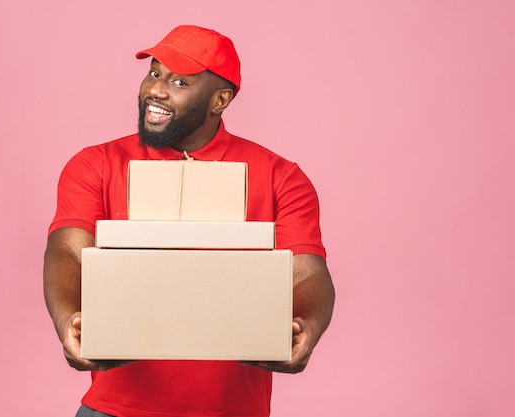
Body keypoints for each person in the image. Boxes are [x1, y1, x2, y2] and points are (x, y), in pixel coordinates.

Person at [44, 24, 335, 417]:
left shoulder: (280, 176)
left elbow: (306, 272)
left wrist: (309, 329)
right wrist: (66, 321)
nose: (156, 90)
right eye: (154, 73)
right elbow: (67, 249)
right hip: (114, 410)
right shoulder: (95, 165)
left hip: (232, 411)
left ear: (220, 100)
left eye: (179, 81)